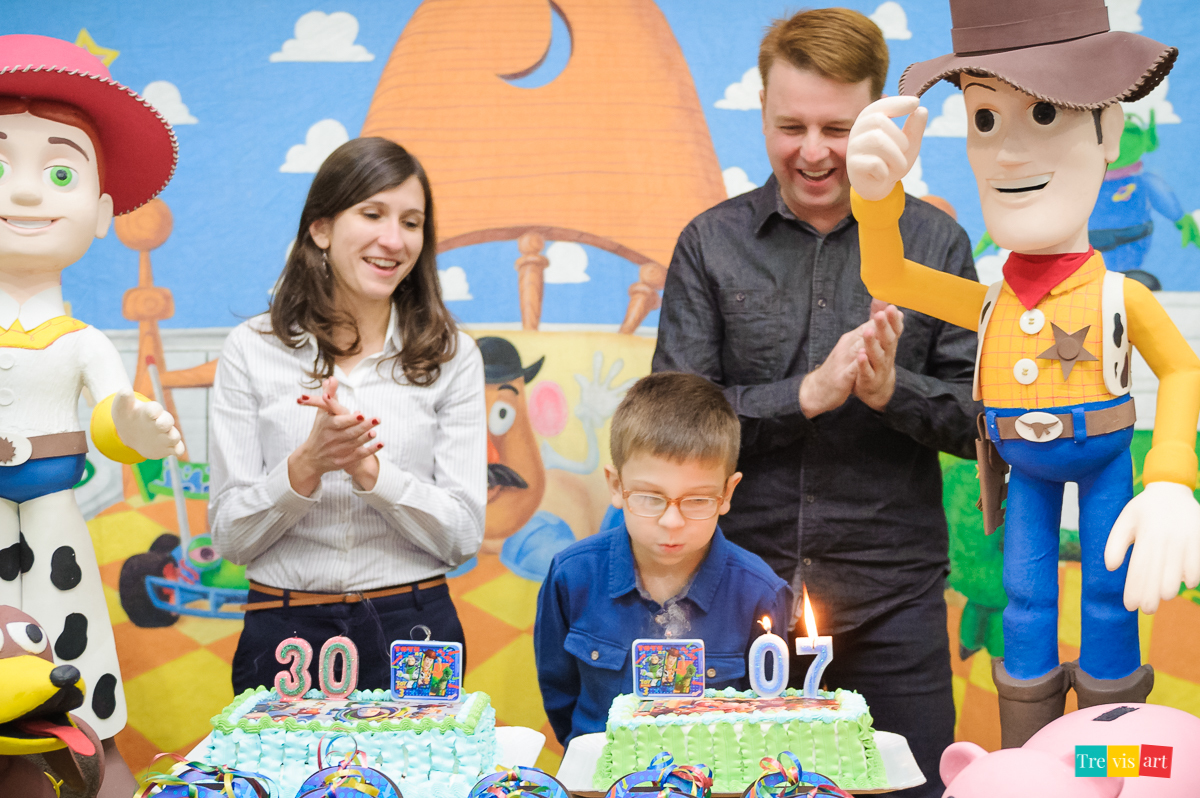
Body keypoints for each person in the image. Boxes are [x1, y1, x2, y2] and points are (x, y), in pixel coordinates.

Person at [846, 0, 1200, 747]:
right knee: (1027, 603)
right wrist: (876, 203)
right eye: (984, 119)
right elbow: (887, 273)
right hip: (1023, 470)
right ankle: (1029, 762)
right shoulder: (988, 303)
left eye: (1044, 113)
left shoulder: (1118, 295)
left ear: (1107, 130)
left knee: (1109, 598)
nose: (1008, 153)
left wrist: (1170, 479)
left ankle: (1112, 766)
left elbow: (1181, 369)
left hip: (1105, 460)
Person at [651, 9, 978, 796]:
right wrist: (803, 395)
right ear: (762, 111)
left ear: (879, 122)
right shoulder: (710, 243)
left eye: (838, 128)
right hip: (730, 597)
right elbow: (670, 426)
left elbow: (981, 423)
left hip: (894, 604)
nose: (814, 152)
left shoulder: (936, 246)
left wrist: (892, 390)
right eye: (790, 127)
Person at [210, 137, 486, 694]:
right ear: (321, 229)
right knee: (278, 756)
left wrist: (370, 472)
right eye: (373, 214)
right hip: (284, 628)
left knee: (426, 756)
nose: (394, 240)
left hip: (416, 627)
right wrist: (307, 466)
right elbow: (230, 539)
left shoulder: (453, 355)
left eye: (411, 222)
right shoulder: (251, 348)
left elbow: (461, 536)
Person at [0, 34, 186, 798]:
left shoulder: (82, 340)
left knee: (69, 625)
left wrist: (130, 428)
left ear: (103, 211)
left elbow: (111, 411)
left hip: (54, 507)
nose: (26, 194)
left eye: (60, 172)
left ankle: (89, 740)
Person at [534, 372, 793, 746]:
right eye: (651, 498)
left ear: (726, 493)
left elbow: (768, 714)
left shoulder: (760, 593)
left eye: (697, 499)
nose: (672, 521)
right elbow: (560, 695)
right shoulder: (571, 576)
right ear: (616, 486)